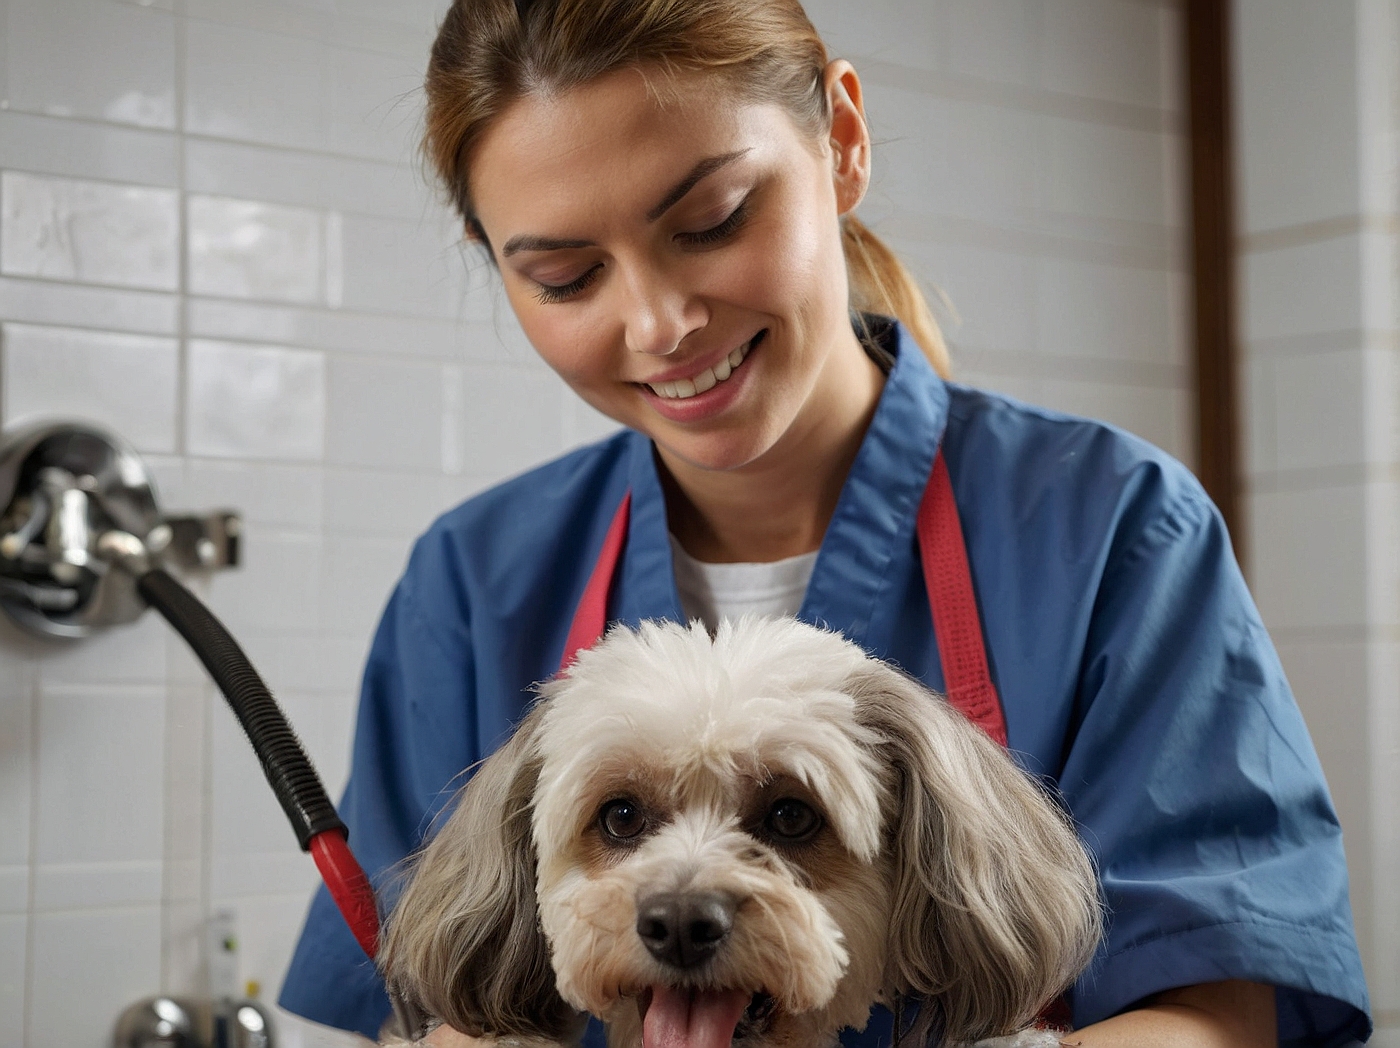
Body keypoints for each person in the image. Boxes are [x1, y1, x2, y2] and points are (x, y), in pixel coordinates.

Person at [279, 1, 1371, 1045]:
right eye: (566, 277)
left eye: (710, 221)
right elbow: (428, 1007)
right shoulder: (473, 582)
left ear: (841, 140)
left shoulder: (1108, 530)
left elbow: (1219, 1014)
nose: (659, 325)